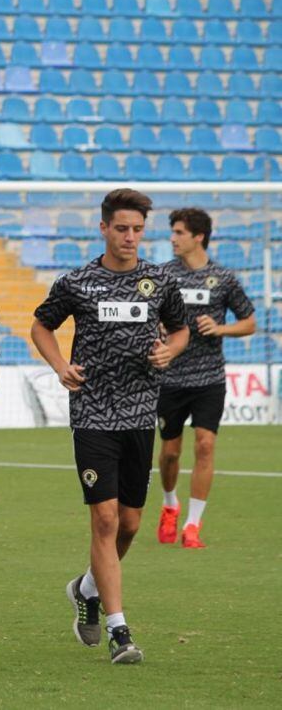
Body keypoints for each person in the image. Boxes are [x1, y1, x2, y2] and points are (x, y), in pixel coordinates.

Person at [31, 189, 189, 665]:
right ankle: (121, 632)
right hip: (94, 413)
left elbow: (180, 328)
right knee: (104, 519)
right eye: (121, 228)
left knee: (129, 524)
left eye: (138, 229)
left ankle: (85, 587)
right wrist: (60, 364)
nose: (130, 237)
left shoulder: (158, 281)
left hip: (141, 414)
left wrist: (172, 350)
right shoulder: (78, 281)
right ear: (104, 228)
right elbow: (41, 325)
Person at [156, 209, 256, 548]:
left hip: (209, 378)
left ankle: (193, 525)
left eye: (179, 232)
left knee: (205, 444)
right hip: (170, 377)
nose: (173, 238)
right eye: (173, 231)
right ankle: (170, 504)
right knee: (170, 453)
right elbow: (149, 314)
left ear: (198, 237)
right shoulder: (163, 275)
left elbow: (250, 322)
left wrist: (221, 328)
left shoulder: (223, 278)